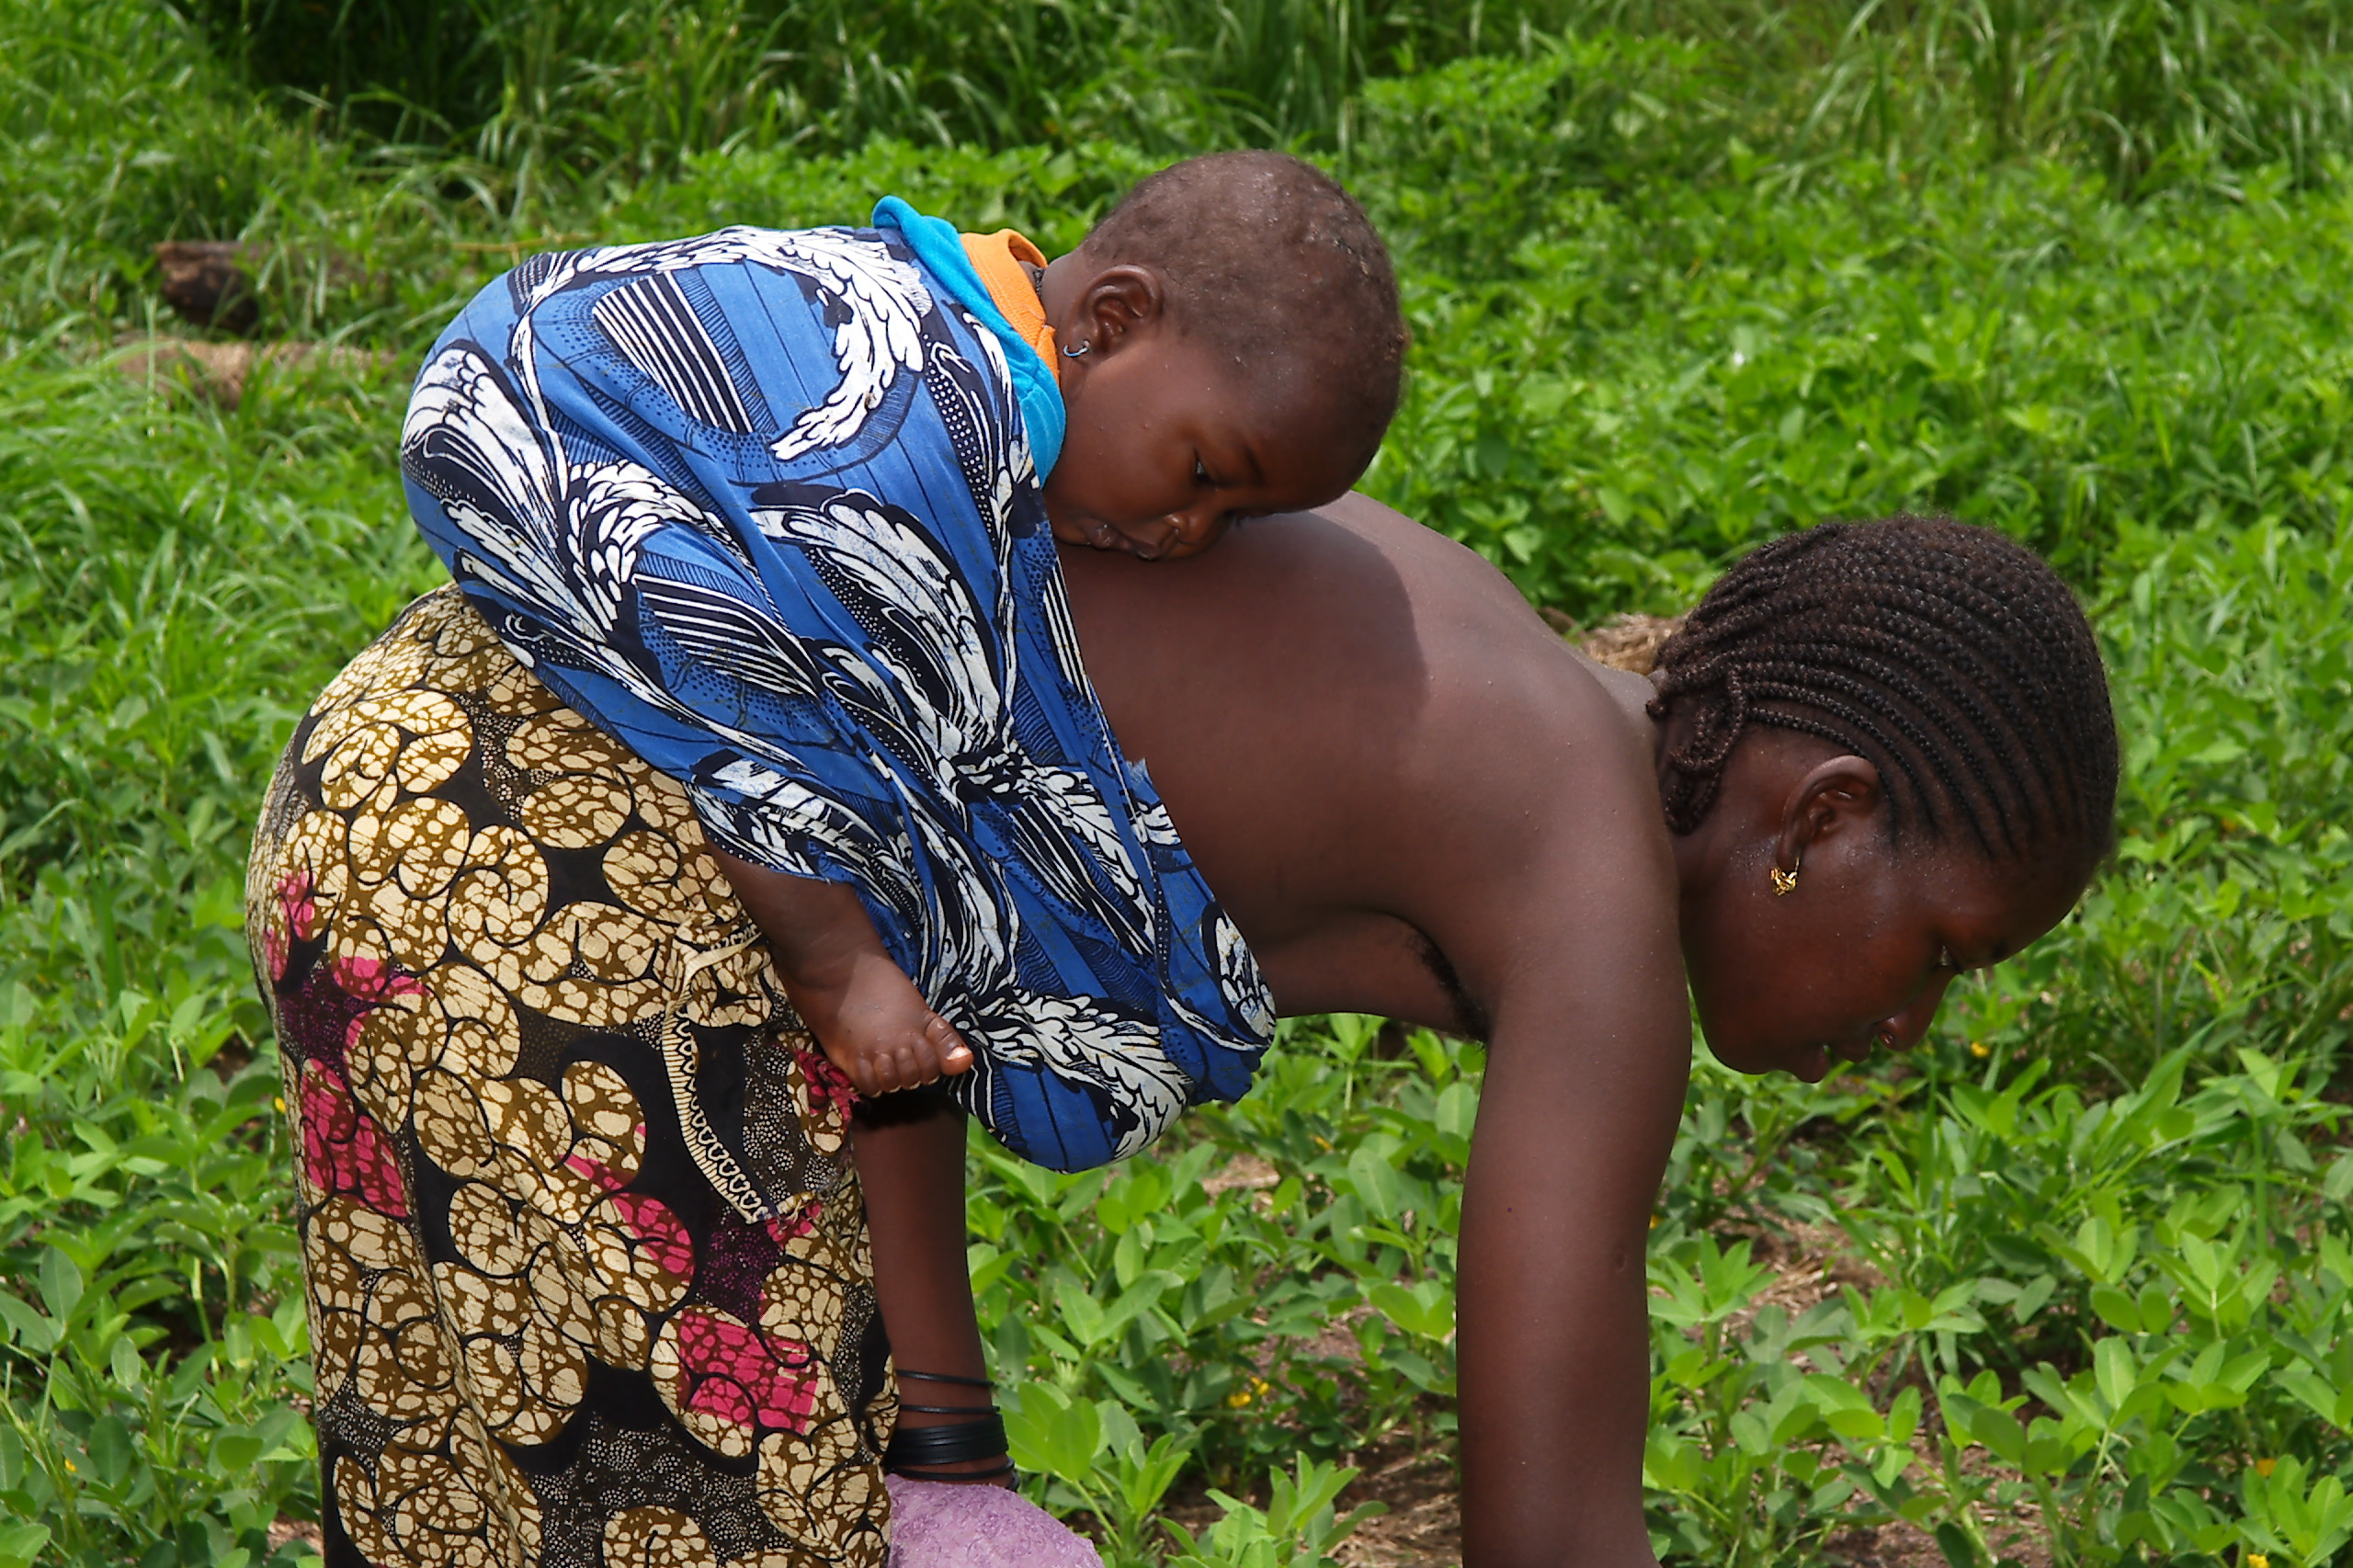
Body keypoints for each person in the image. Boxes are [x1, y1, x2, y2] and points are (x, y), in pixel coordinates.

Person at [247, 485, 2114, 1565]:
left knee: (488, 1505)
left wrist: (941, 1424)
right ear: (1819, 822)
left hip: (424, 767)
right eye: (1945, 951)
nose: (1916, 1023)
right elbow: (1552, 1536)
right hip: (567, 868)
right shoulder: (1587, 885)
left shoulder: (1512, 714)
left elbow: (911, 897)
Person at [393, 150, 1407, 1487]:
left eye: (1237, 518)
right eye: (1207, 470)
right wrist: (901, 953)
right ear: (1107, 323)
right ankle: (831, 956)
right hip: (524, 432)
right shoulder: (925, 438)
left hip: (507, 369)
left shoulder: (952, 300)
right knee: (798, 709)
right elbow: (919, 728)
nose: (1185, 531)